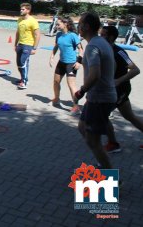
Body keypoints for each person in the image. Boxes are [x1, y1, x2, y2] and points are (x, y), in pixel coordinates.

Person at [74, 13, 117, 170]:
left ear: (86, 27)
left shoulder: (93, 46)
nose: (78, 26)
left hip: (100, 99)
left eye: (80, 23)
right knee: (82, 126)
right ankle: (102, 159)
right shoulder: (101, 42)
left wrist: (81, 91)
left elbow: (95, 74)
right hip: (98, 97)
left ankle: (110, 177)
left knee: (93, 140)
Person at [100, 25, 143, 153]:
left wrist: (118, 81)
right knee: (129, 116)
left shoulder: (119, 52)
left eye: (103, 35)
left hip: (120, 90)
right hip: (110, 90)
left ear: (111, 37)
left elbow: (135, 69)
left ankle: (113, 144)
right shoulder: (103, 50)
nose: (100, 37)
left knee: (102, 115)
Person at [48, 16, 83, 115]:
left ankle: (76, 106)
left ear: (65, 24)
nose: (57, 25)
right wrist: (51, 57)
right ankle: (56, 99)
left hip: (71, 63)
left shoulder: (73, 36)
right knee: (56, 81)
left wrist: (79, 62)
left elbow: (81, 49)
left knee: (71, 84)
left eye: (58, 24)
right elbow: (56, 46)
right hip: (61, 62)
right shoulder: (58, 35)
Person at [14, 2, 40, 89]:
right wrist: (15, 44)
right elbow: (18, 33)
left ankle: (24, 82)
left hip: (28, 45)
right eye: (20, 9)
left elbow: (37, 35)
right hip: (20, 44)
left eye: (23, 9)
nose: (21, 10)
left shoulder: (33, 21)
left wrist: (34, 48)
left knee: (22, 62)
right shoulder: (20, 19)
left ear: (28, 10)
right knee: (19, 63)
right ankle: (23, 78)